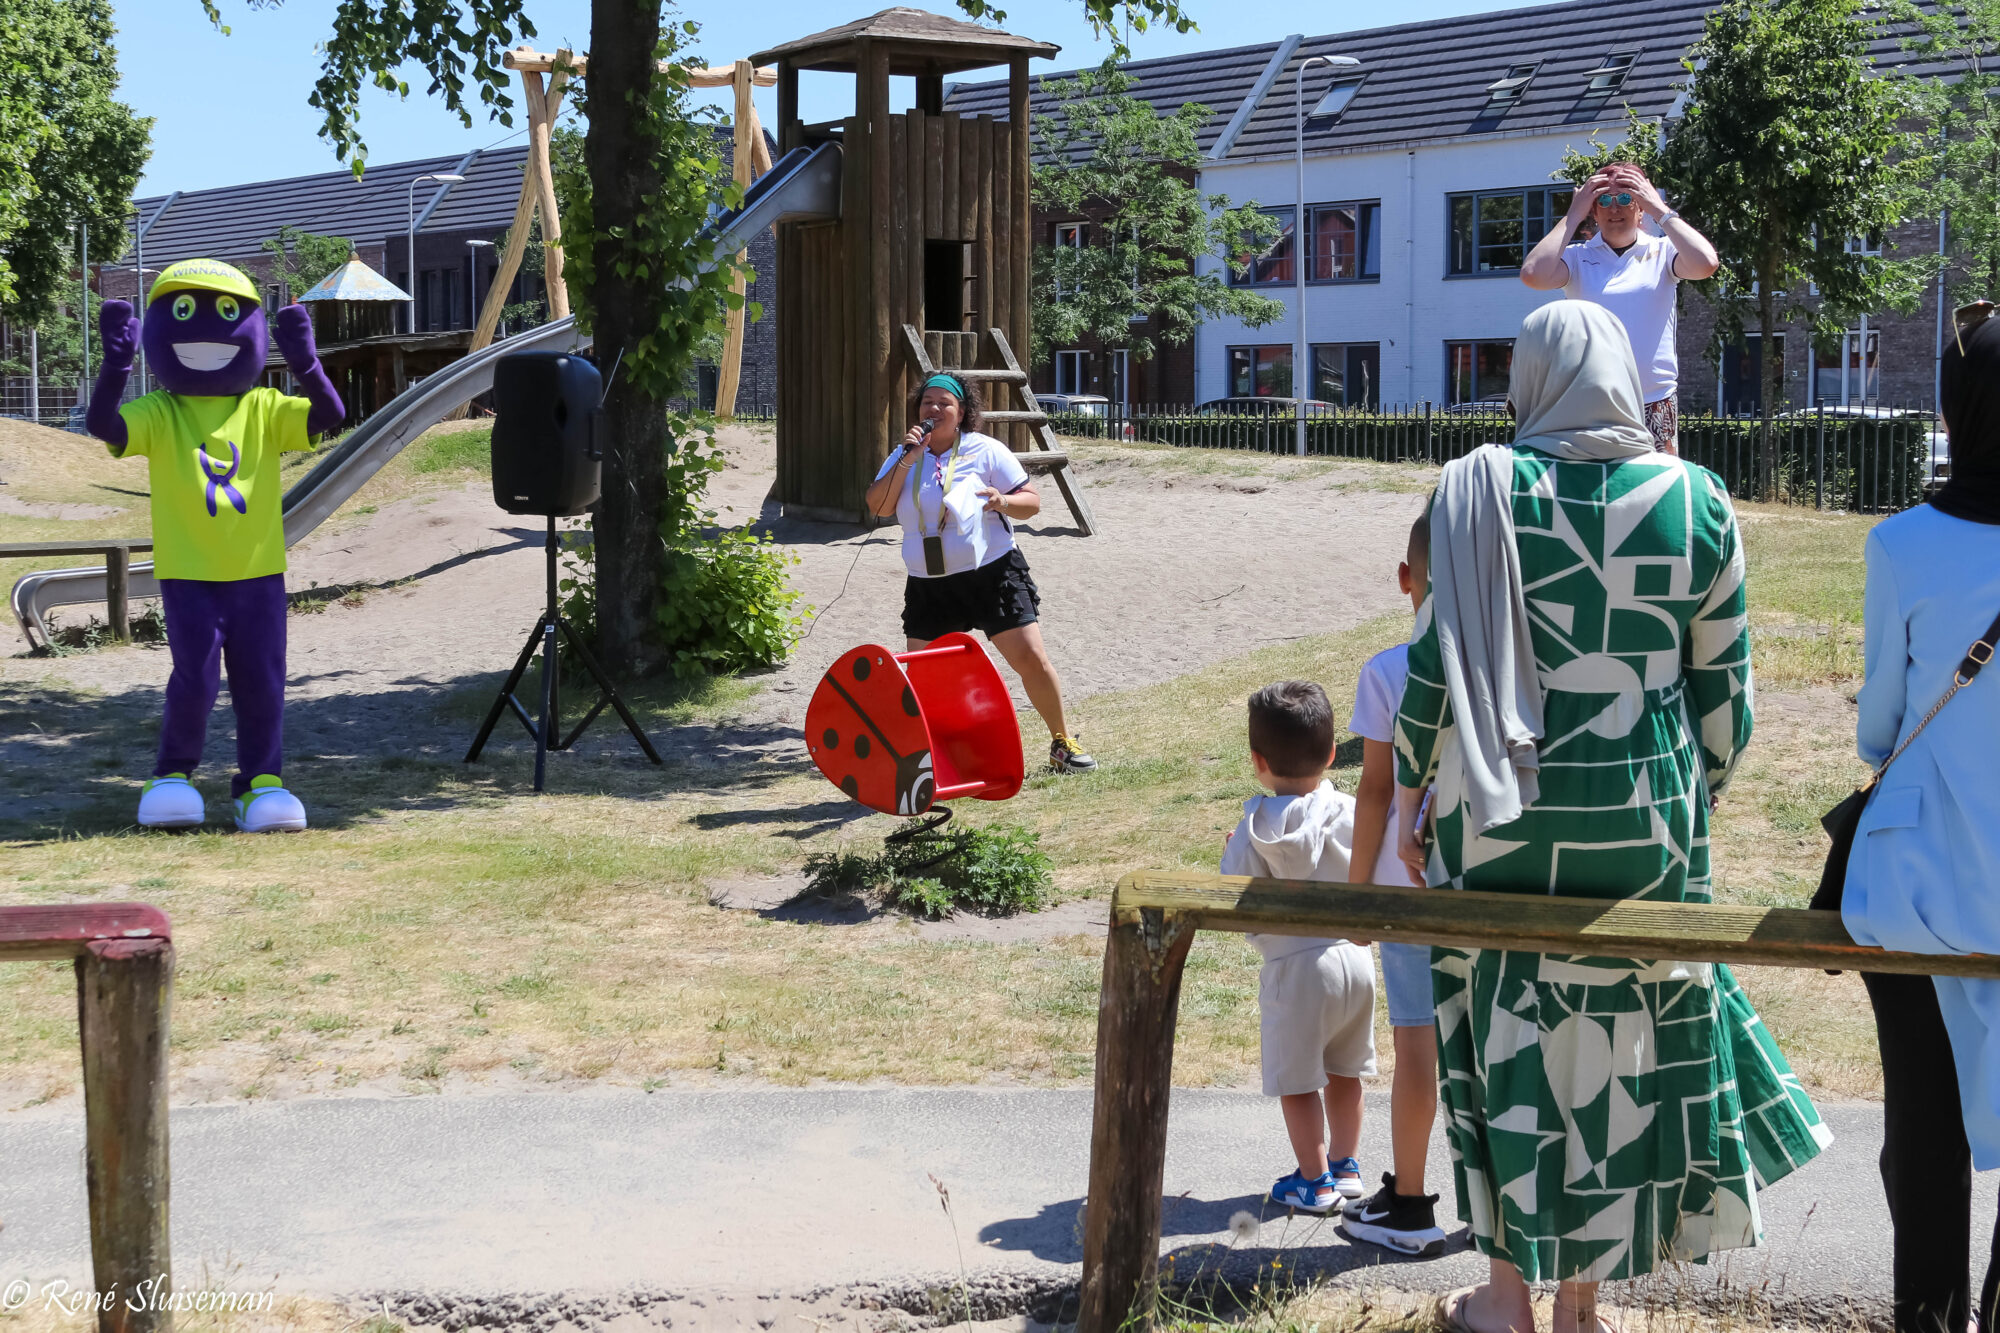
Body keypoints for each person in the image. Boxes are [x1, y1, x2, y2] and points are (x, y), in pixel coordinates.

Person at [1392, 301, 1830, 1333]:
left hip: (1495, 815)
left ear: (1527, 376)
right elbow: (1725, 693)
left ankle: (1503, 1294)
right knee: (1624, 1049)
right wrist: (1688, 790)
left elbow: (1429, 678)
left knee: (1496, 1039)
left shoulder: (1474, 489)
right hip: (1646, 815)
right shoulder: (1693, 497)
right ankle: (1583, 1303)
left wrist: (1416, 787)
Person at [1839, 305, 2000, 1333]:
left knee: (1923, 1132)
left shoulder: (1901, 543)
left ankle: (1926, 1319)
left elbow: (1878, 729)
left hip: (1919, 885)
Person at [863, 373, 1095, 773]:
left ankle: (1062, 743)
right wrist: (906, 460)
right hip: (929, 584)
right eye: (926, 403)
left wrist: (1002, 500)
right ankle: (936, 755)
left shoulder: (986, 450)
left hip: (992, 573)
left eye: (943, 404)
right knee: (925, 678)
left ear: (962, 413)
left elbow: (1032, 503)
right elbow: (879, 506)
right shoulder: (904, 455)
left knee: (1032, 659)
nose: (933, 410)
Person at [1219, 680, 1375, 1214]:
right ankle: (1347, 1165)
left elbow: (1233, 896)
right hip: (1355, 960)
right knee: (1344, 1070)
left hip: (1295, 966)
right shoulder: (1352, 811)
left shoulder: (1253, 827)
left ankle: (1314, 1179)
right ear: (1332, 753)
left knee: (1298, 1079)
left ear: (1257, 761)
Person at [1339, 511, 1446, 1259]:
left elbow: (1375, 790)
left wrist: (1355, 893)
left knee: (1418, 1050)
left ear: (1405, 580)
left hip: (1409, 893)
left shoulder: (1388, 671)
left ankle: (1409, 1200)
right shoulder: (1503, 667)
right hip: (1491, 885)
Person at [1520, 164, 1720, 455]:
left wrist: (1660, 209)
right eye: (1604, 200)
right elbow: (1532, 274)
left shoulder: (1663, 252)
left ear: (1641, 210)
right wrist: (1573, 214)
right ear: (1594, 211)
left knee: (1656, 495)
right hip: (1590, 405)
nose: (1615, 208)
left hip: (1654, 403)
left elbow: (1706, 264)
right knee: (1592, 496)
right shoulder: (1576, 259)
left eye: (1626, 198)